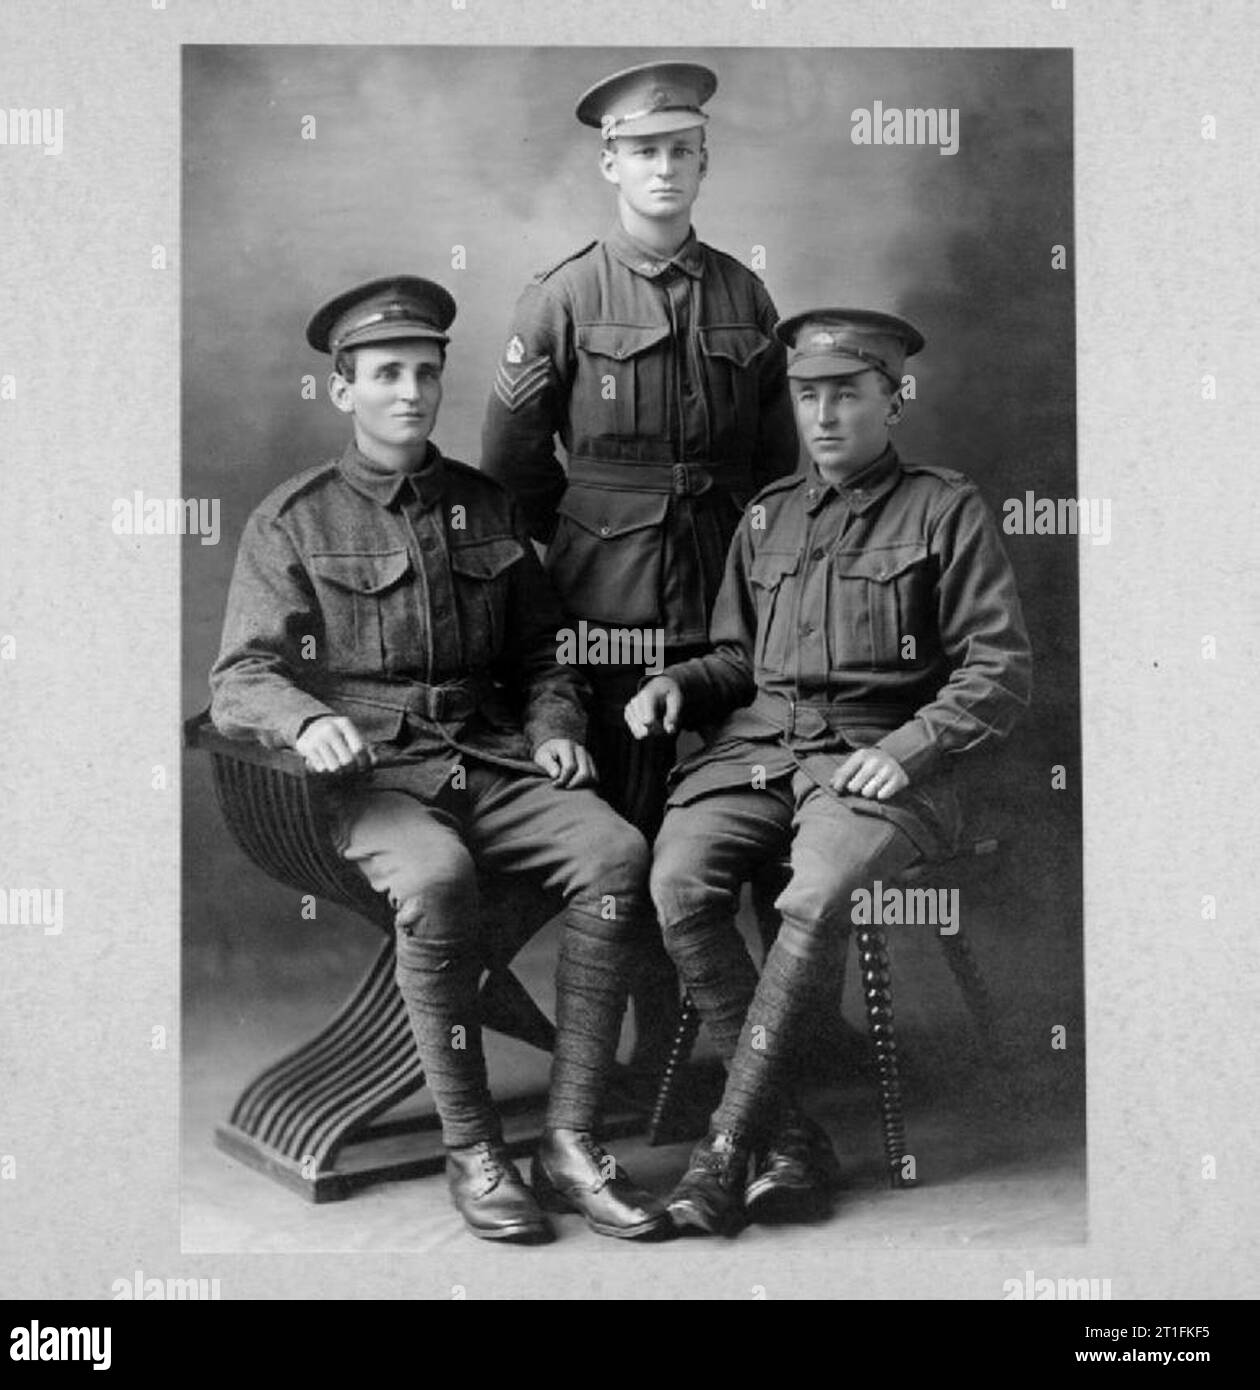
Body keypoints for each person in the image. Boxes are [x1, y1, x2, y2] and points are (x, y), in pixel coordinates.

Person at [210, 276, 669, 1243]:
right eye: (386, 374)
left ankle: (571, 1139)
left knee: (618, 854)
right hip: (370, 778)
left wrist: (555, 729)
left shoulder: (486, 504)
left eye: (425, 372)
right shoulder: (293, 519)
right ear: (343, 391)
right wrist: (301, 722)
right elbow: (240, 677)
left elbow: (543, 653)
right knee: (436, 875)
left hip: (492, 758)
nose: (410, 392)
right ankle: (475, 1147)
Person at [626, 308, 1033, 1233]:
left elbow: (999, 670)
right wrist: (675, 684)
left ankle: (727, 1146)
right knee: (677, 880)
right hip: (759, 752)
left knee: (812, 897)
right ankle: (790, 1136)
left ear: (894, 399)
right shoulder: (766, 515)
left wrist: (907, 751)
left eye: (846, 394)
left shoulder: (944, 506)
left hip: (875, 762)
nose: (823, 416)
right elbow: (735, 658)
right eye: (807, 396)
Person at [480, 60, 801, 1077]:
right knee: (626, 814)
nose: (663, 168)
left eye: (681, 150)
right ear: (609, 163)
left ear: (703, 161)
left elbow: (774, 459)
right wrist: (582, 557)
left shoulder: (743, 291)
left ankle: (751, 1035)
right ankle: (630, 1048)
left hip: (721, 585)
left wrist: (747, 569)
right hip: (603, 595)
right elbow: (511, 475)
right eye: (643, 151)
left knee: (739, 797)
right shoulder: (564, 295)